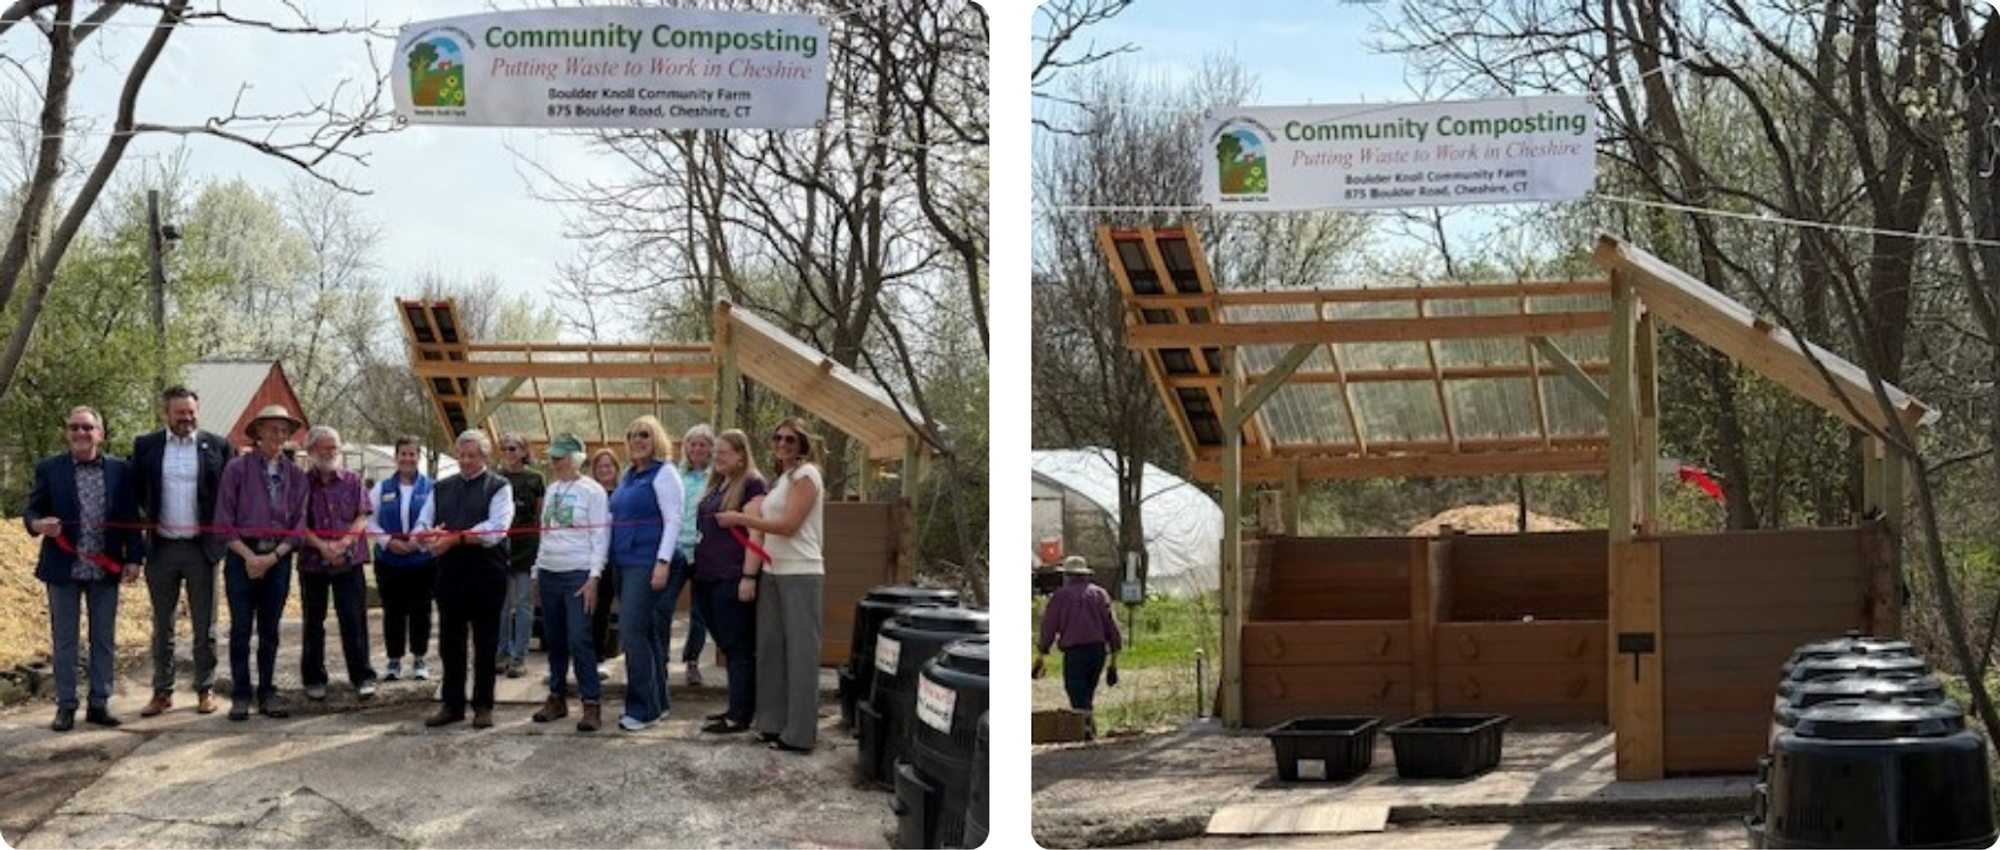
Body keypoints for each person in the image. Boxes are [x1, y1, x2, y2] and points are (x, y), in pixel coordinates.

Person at [24, 406, 145, 731]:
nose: (81, 433)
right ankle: (65, 706)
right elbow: (32, 510)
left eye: (87, 428)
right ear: (67, 432)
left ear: (100, 434)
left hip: (105, 569)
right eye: (75, 427)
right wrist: (38, 524)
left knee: (103, 640)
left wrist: (134, 557)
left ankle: (99, 704)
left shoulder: (122, 470)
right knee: (65, 641)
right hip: (63, 568)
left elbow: (132, 518)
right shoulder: (50, 468)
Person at [717, 416, 823, 753]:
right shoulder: (781, 480)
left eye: (790, 440)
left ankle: (800, 734)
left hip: (801, 573)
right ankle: (772, 723)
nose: (782, 444)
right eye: (777, 438)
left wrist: (741, 519)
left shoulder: (807, 475)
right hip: (773, 571)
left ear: (802, 444)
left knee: (801, 655)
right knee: (772, 651)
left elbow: (789, 526)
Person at [131, 385, 231, 717]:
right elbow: (135, 496)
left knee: (206, 626)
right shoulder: (146, 446)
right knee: (163, 625)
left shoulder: (217, 446)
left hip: (202, 551)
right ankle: (162, 691)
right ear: (167, 414)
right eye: (180, 413)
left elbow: (230, 496)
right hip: (161, 550)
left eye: (191, 412)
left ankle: (205, 688)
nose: (186, 418)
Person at [214, 404, 310, 721]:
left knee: (270, 630)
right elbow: (223, 522)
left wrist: (271, 557)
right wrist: (250, 557)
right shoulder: (237, 469)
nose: (278, 436)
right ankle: (241, 694)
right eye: (272, 429)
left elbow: (298, 526)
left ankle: (268, 691)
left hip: (277, 559)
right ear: (257, 434)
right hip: (242, 557)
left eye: (284, 431)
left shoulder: (296, 476)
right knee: (241, 628)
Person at [419, 429, 514, 729]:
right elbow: (423, 522)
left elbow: (496, 530)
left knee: (486, 643)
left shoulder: (500, 486)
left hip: (487, 575)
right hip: (450, 576)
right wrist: (428, 535)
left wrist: (454, 539)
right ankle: (452, 704)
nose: (466, 461)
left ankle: (483, 706)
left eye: (472, 455)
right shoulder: (441, 487)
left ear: (485, 457)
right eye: (462, 455)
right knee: (450, 643)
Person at [528, 433, 610, 732]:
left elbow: (601, 537)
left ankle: (591, 703)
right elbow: (545, 533)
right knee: (555, 639)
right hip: (549, 571)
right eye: (552, 457)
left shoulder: (593, 491)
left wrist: (594, 577)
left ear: (575, 459)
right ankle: (557, 696)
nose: (554, 462)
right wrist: (537, 573)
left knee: (579, 638)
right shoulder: (551, 490)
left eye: (560, 457)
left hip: (578, 573)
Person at [607, 415, 683, 731]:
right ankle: (658, 702)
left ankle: (642, 709)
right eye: (632, 434)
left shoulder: (665, 473)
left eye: (644, 435)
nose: (637, 440)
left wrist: (662, 563)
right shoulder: (628, 475)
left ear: (656, 440)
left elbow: (673, 520)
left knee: (632, 633)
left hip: (648, 562)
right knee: (647, 632)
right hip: (623, 562)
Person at [692, 428, 766, 734]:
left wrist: (749, 576)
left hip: (731, 576)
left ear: (740, 455)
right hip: (706, 576)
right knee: (726, 643)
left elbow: (757, 532)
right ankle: (736, 705)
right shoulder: (718, 485)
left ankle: (740, 714)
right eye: (716, 453)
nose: (717, 457)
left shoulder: (752, 484)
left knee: (738, 646)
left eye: (723, 452)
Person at [298, 426, 378, 701]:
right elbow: (297, 523)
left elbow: (363, 516)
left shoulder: (353, 480)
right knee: (313, 622)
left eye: (335, 447)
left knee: (353, 618)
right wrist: (322, 546)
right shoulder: (301, 483)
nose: (331, 453)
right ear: (311, 452)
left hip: (349, 559)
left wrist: (343, 544)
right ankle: (314, 678)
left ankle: (362, 676)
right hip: (312, 561)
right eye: (325, 448)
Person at [368, 436, 437, 682]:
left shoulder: (431, 488)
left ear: (419, 457)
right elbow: (369, 521)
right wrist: (388, 542)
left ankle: (419, 659)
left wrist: (416, 542)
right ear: (396, 457)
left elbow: (434, 520)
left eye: (412, 454)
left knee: (421, 611)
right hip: (389, 561)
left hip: (422, 560)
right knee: (393, 612)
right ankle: (394, 661)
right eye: (403, 454)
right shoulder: (381, 488)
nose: (407, 458)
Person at [1034, 555, 1124, 739]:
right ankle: (1087, 731)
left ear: (1066, 575)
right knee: (1087, 693)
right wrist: (1113, 661)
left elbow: (1049, 627)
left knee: (1077, 693)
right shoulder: (1100, 594)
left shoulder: (1060, 597)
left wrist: (1041, 654)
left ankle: (1087, 734)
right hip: (1097, 652)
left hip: (1075, 654)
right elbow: (1111, 626)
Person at [658, 423, 713, 687]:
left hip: (704, 552)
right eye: (692, 443)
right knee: (663, 606)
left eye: (702, 444)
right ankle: (661, 662)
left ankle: (692, 662)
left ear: (710, 449)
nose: (697, 448)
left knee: (699, 613)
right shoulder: (674, 475)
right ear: (685, 448)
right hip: (676, 550)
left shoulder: (716, 478)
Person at [496, 433, 544, 679]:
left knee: (524, 603)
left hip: (527, 546)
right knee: (502, 604)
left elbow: (540, 514)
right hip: (501, 545)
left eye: (513, 448)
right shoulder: (495, 479)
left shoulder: (536, 479)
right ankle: (501, 653)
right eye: (505, 448)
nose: (509, 453)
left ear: (524, 452)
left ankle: (519, 657)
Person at [587, 447, 623, 666]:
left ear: (616, 468)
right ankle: (595, 655)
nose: (604, 470)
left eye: (608, 465)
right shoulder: (591, 494)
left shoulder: (623, 493)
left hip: (621, 557)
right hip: (597, 560)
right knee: (598, 610)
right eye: (600, 466)